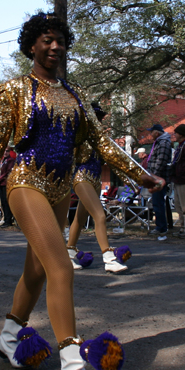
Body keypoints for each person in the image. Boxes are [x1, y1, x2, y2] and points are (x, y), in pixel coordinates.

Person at [0, 12, 164, 370]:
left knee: (37, 272)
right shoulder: (13, 90)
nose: (55, 47)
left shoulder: (74, 95)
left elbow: (103, 144)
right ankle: (72, 368)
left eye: (60, 41)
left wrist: (141, 176)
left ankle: (8, 339)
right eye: (47, 40)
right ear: (32, 45)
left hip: (60, 187)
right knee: (61, 268)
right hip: (24, 181)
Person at [66, 103, 131, 273]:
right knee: (100, 216)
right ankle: (108, 258)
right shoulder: (79, 135)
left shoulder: (100, 138)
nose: (100, 120)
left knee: (79, 219)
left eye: (100, 117)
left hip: (95, 180)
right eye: (96, 117)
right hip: (82, 178)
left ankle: (69, 252)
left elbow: (113, 161)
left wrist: (129, 180)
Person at [145, 123, 172, 241]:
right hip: (156, 177)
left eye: (151, 132)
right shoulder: (159, 142)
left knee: (158, 203)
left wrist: (154, 176)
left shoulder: (163, 143)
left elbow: (161, 161)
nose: (150, 135)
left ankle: (161, 227)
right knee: (157, 203)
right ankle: (161, 226)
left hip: (159, 178)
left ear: (157, 132)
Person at [0, 148, 16, 227]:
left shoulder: (10, 160)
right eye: (4, 151)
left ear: (9, 152)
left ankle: (8, 221)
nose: (5, 152)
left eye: (7, 151)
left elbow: (8, 171)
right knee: (2, 202)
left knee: (6, 202)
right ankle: (6, 219)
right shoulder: (1, 161)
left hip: (5, 183)